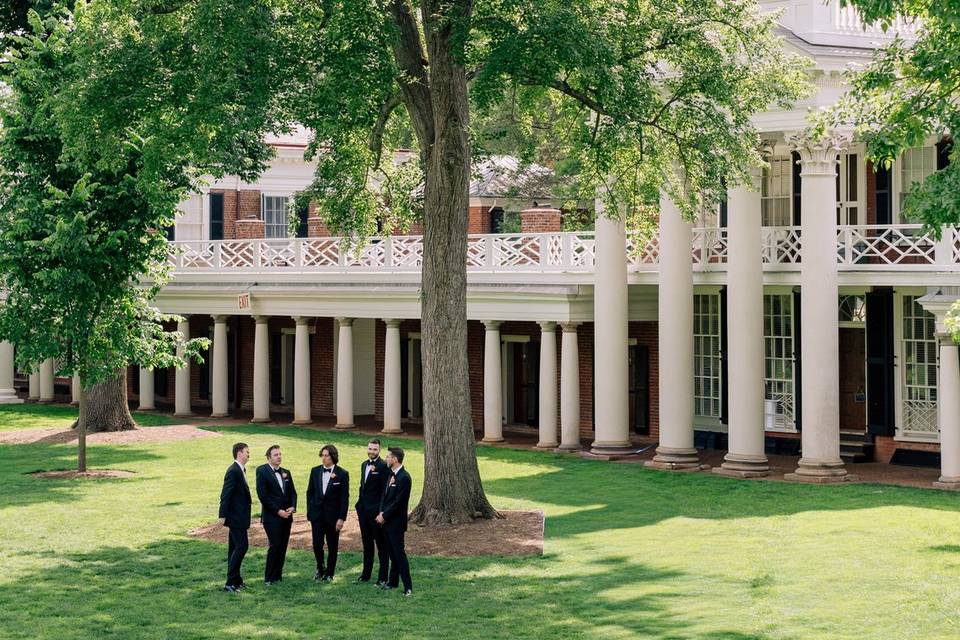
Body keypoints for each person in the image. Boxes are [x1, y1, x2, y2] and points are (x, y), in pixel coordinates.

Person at [306, 444, 350, 582]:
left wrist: (341, 518)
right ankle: (320, 567)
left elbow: (344, 498)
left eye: (326, 455)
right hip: (317, 516)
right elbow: (310, 492)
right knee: (316, 544)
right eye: (322, 455)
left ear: (333, 457)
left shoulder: (342, 474)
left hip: (333, 517)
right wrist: (310, 511)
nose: (323, 458)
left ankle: (330, 573)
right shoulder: (315, 471)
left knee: (332, 546)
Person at [255, 444, 297, 585]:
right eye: (275, 455)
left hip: (287, 516)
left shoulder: (286, 472)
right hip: (272, 517)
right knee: (275, 545)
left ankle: (278, 575)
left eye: (280, 454)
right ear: (269, 457)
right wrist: (278, 511)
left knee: (283, 545)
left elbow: (292, 493)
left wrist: (292, 506)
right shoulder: (262, 470)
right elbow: (263, 496)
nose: (279, 456)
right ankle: (269, 577)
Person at [377, 446, 413, 596]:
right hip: (386, 521)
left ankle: (408, 586)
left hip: (396, 523)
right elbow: (384, 497)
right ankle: (393, 582)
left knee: (399, 554)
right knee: (391, 553)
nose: (386, 459)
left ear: (395, 459)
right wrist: (380, 511)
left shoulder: (404, 477)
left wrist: (384, 515)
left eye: (388, 457)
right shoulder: (390, 474)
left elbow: (399, 502)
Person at [355, 438, 390, 584]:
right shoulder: (364, 465)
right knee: (367, 544)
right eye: (370, 448)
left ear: (379, 450)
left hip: (376, 514)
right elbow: (363, 487)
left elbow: (384, 492)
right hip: (363, 512)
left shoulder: (383, 466)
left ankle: (382, 578)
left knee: (381, 545)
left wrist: (381, 512)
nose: (372, 451)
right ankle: (365, 575)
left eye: (375, 449)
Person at [218, 442, 252, 592]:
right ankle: (230, 582)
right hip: (236, 517)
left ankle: (236, 580)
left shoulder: (240, 470)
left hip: (240, 517)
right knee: (242, 546)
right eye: (246, 452)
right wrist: (222, 515)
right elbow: (226, 493)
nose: (248, 454)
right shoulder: (233, 471)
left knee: (234, 548)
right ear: (239, 453)